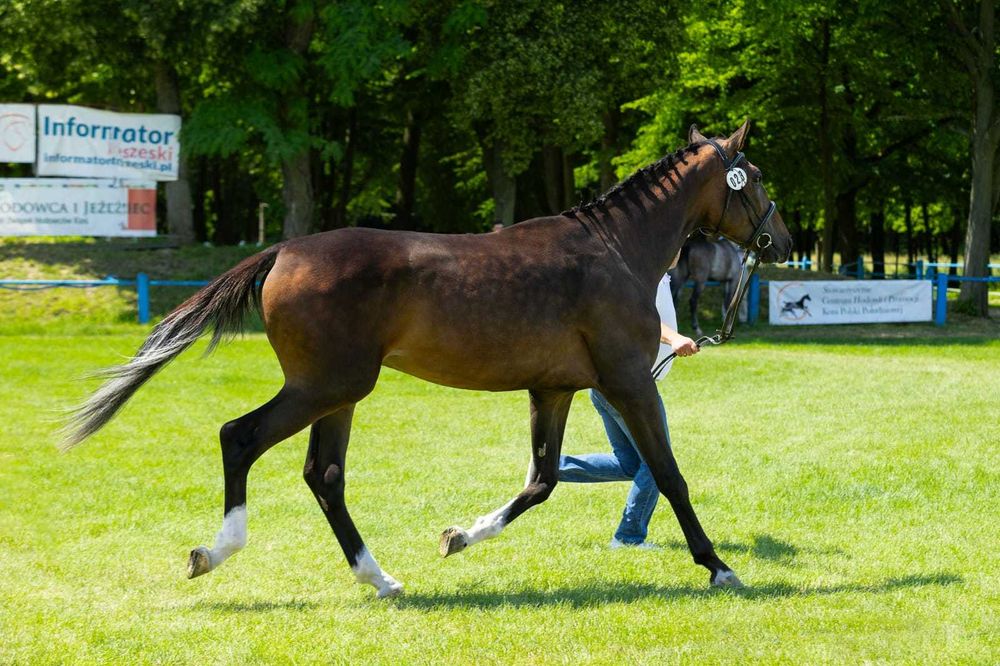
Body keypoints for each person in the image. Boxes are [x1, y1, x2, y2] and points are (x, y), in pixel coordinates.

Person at [558, 272, 699, 548]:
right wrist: (674, 339)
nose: (681, 246)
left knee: (629, 464)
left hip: (614, 387)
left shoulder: (659, 275)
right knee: (658, 465)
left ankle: (551, 466)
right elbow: (638, 320)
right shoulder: (645, 273)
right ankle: (629, 537)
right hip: (630, 390)